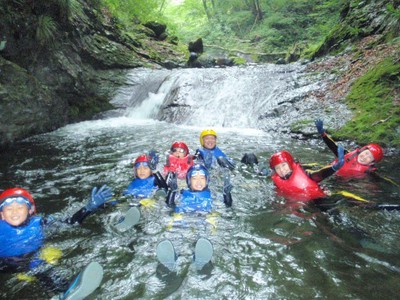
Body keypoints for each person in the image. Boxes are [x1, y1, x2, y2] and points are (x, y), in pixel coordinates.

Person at [0, 186, 111, 298]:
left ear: (30, 210)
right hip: (5, 263)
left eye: (20, 207)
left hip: (32, 259)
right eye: (8, 209)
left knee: (44, 270)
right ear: (2, 215)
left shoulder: (41, 223)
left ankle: (65, 292)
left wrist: (88, 208)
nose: (14, 212)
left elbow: (70, 223)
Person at [156, 164, 232, 271]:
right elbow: (170, 206)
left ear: (207, 180)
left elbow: (226, 208)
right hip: (183, 219)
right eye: (194, 178)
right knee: (175, 234)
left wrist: (227, 195)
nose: (199, 181)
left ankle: (201, 258)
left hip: (205, 220)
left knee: (206, 237)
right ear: (188, 181)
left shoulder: (214, 195)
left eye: (202, 178)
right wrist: (172, 192)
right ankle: (171, 258)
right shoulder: (181, 194)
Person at [268, 149, 344, 202]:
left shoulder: (303, 171)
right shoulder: (276, 182)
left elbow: (318, 175)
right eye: (277, 168)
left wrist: (334, 168)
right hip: (302, 202)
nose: (281, 170)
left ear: (290, 163)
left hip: (319, 198)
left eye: (283, 165)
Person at [315, 119, 384, 178]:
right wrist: (323, 134)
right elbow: (332, 146)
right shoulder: (347, 155)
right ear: (361, 151)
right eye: (366, 153)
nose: (365, 157)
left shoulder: (368, 172)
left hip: (341, 183)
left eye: (370, 157)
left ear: (371, 163)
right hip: (326, 172)